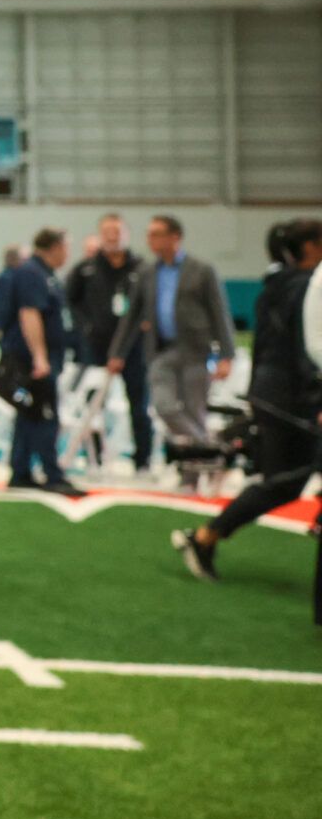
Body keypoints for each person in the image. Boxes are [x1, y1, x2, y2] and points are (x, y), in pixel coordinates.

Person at [172, 219, 322, 581]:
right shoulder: (306, 286)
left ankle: (208, 535)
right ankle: (207, 536)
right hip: (294, 397)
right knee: (287, 479)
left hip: (273, 392)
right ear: (308, 248)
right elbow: (307, 349)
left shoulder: (277, 283)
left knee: (287, 478)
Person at [109, 215, 236, 487]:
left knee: (194, 410)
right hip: (161, 351)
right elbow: (131, 316)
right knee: (164, 405)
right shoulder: (147, 273)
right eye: (149, 234)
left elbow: (219, 313)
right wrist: (117, 353)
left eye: (156, 234)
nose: (150, 240)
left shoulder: (201, 270)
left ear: (174, 237)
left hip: (197, 351)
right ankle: (210, 451)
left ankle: (191, 476)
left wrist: (227, 355)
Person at [0, 227, 82, 498]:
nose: (68, 253)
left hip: (40, 356)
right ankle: (51, 473)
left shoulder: (44, 274)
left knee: (29, 415)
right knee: (44, 416)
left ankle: (20, 471)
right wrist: (40, 356)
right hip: (33, 359)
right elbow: (29, 314)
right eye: (66, 247)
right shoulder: (32, 274)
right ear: (55, 247)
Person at [65, 213, 152, 477]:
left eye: (117, 231)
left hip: (134, 349)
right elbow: (71, 301)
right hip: (96, 348)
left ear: (126, 234)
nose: (112, 237)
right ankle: (95, 457)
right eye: (107, 232)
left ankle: (143, 462)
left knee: (139, 405)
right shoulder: (86, 269)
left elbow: (152, 303)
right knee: (93, 405)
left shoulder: (141, 269)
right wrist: (87, 327)